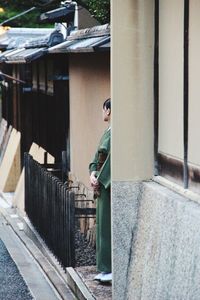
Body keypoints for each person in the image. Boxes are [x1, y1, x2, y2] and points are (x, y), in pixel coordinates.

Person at [89, 98, 112, 283]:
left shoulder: (115, 134)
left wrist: (100, 179)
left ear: (109, 111)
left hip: (106, 186)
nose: (102, 113)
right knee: (102, 226)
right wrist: (92, 172)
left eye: (103, 109)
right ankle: (103, 268)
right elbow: (96, 156)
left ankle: (109, 268)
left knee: (106, 226)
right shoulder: (108, 132)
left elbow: (111, 159)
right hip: (100, 182)